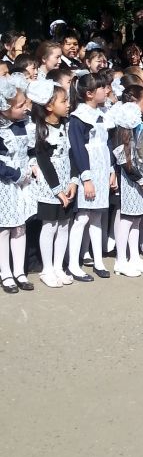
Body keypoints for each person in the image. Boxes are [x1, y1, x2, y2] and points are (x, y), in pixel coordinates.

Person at [29, 79, 77, 288]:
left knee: (64, 226)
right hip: (50, 187)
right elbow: (44, 163)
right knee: (50, 226)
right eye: (63, 101)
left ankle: (59, 266)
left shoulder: (67, 125)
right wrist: (58, 191)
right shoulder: (40, 130)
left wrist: (73, 181)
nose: (68, 104)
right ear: (49, 106)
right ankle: (47, 269)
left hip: (67, 183)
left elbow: (72, 155)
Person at [68, 73, 115, 281]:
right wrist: (86, 179)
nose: (107, 91)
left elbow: (108, 144)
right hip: (87, 171)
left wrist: (112, 170)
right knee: (82, 218)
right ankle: (73, 264)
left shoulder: (103, 114)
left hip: (103, 169)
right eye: (102, 88)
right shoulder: (78, 117)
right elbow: (78, 150)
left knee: (97, 216)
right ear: (89, 93)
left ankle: (98, 261)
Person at [110, 86, 143, 277]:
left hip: (140, 179)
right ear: (135, 103)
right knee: (127, 220)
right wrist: (142, 180)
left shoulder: (139, 126)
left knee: (136, 219)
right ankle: (121, 260)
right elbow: (125, 163)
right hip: (130, 181)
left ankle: (134, 257)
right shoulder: (123, 130)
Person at [0, 76, 35, 293]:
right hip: (5, 183)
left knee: (20, 227)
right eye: (20, 106)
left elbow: (30, 151)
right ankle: (5, 273)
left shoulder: (24, 125)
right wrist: (15, 174)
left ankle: (19, 271)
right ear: (5, 109)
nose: (25, 108)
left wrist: (31, 164)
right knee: (4, 229)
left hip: (23, 181)